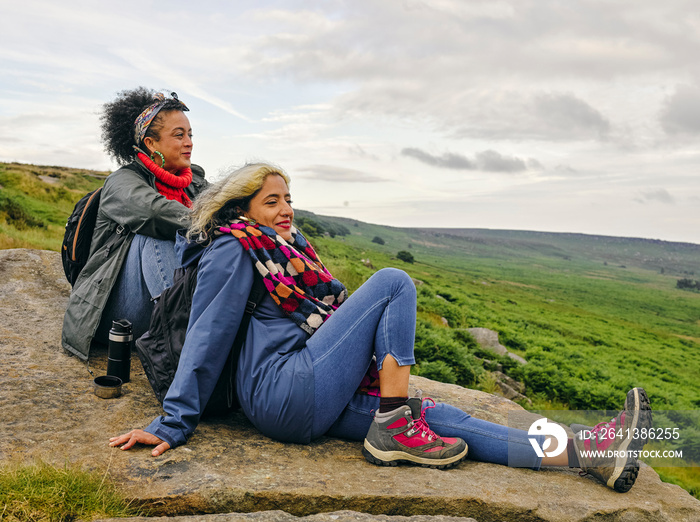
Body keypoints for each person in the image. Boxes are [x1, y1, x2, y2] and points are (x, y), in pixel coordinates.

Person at [110, 163, 653, 492]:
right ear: (241, 206)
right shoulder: (233, 245)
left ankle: (591, 453)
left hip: (313, 383)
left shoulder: (287, 248)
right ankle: (394, 425)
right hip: (282, 390)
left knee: (449, 419)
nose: (284, 209)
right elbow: (206, 334)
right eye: (270, 200)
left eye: (288, 199)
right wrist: (172, 423)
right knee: (393, 282)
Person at [62, 88, 208, 361]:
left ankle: (205, 331)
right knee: (153, 234)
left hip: (172, 299)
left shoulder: (196, 183)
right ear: (151, 144)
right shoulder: (121, 183)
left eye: (190, 134)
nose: (189, 142)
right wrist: (217, 222)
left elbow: (229, 209)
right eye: (179, 135)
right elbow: (155, 214)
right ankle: (186, 345)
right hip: (116, 314)